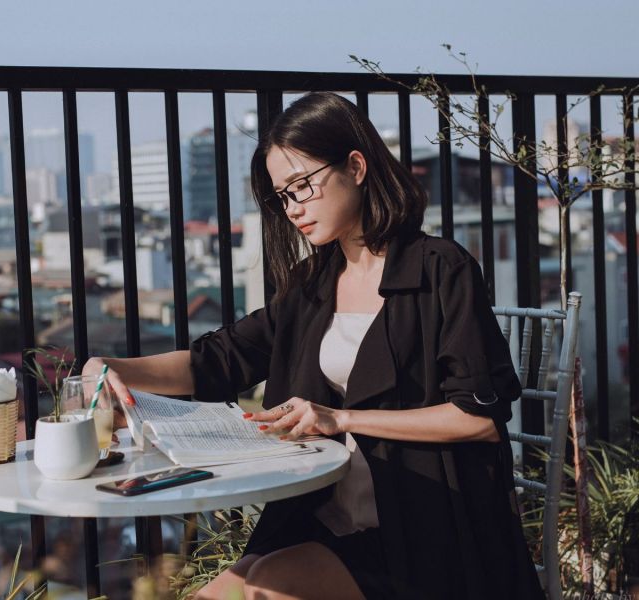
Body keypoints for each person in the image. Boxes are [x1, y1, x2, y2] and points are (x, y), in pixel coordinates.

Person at [84, 91, 544, 599]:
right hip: (322, 516)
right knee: (214, 596)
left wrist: (341, 418)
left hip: (425, 526)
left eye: (302, 186)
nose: (294, 209)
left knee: (267, 588)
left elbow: (478, 419)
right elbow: (219, 357)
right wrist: (108, 365)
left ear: (355, 165)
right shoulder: (314, 284)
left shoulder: (440, 269)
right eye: (283, 196)